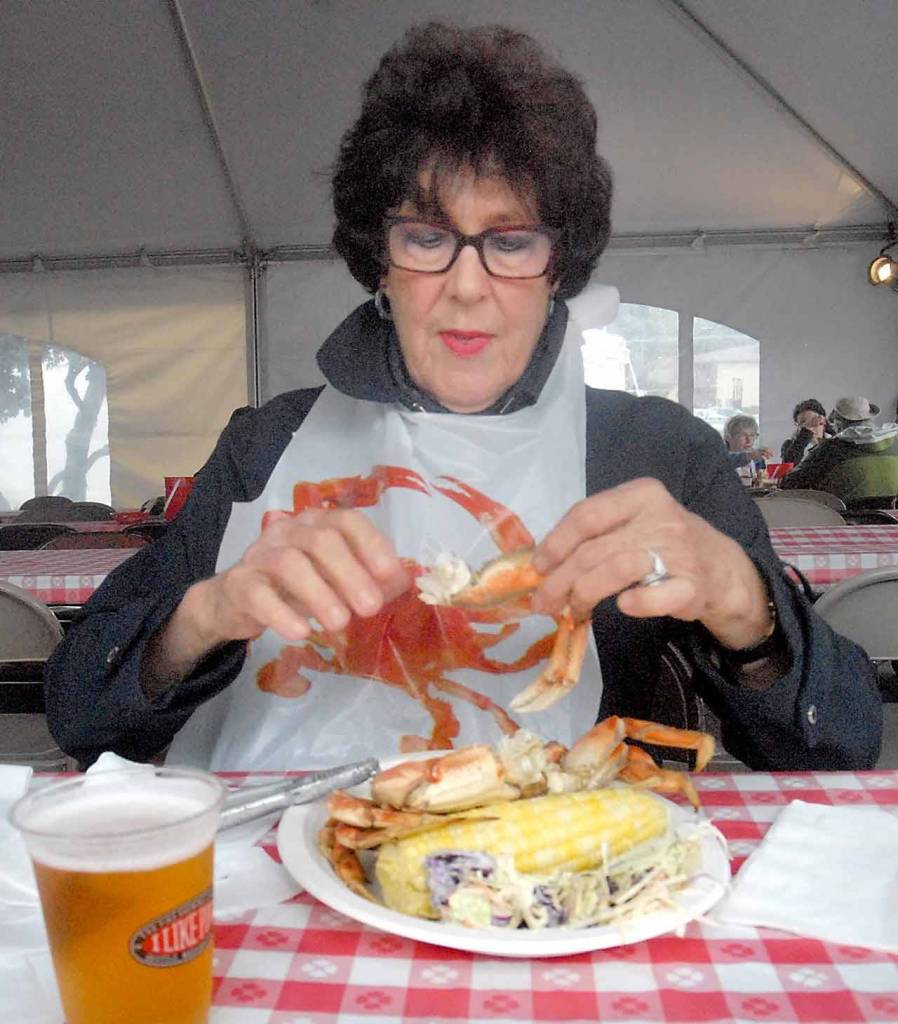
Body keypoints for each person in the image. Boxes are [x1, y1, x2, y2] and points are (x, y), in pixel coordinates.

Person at [45, 22, 880, 773]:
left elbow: (838, 746)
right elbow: (79, 714)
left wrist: (749, 610)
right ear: (380, 262)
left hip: (549, 879)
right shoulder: (264, 448)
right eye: (426, 237)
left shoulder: (657, 455)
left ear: (558, 267)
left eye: (510, 242)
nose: (468, 286)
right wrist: (206, 612)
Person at [781, 396, 898, 503]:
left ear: (835, 420)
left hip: (847, 516)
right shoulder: (895, 440)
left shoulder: (830, 449)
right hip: (891, 515)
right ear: (871, 418)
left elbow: (789, 484)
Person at [780, 398, 834, 466]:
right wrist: (805, 434)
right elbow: (787, 466)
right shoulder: (789, 445)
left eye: (813, 420)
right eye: (803, 423)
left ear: (822, 421)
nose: (810, 425)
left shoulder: (835, 440)